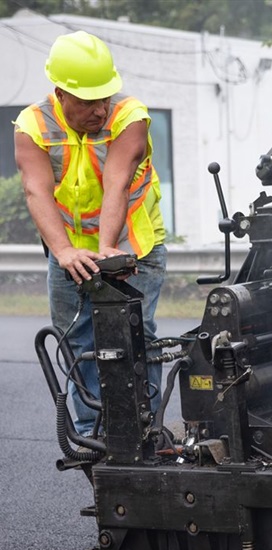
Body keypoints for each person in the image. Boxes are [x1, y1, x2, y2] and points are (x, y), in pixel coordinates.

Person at [14, 30, 167, 435]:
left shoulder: (130, 116)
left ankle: (146, 434)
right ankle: (91, 440)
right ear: (60, 93)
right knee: (78, 345)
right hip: (68, 256)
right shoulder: (32, 124)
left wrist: (108, 250)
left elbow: (117, 182)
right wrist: (63, 251)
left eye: (104, 97)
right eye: (87, 102)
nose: (99, 110)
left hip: (133, 248)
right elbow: (36, 191)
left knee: (138, 341)